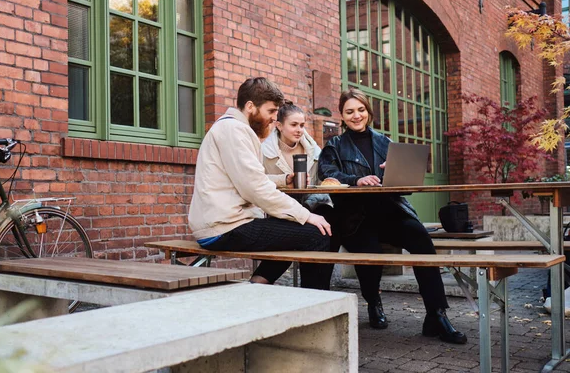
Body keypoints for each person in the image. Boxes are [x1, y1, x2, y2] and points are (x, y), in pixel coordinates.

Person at [318, 88, 467, 344]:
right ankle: (374, 303)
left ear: (368, 111)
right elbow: (327, 174)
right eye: (350, 112)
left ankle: (436, 315)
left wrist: (397, 173)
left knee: (421, 238)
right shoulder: (335, 145)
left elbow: (406, 187)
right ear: (342, 116)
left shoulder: (383, 141)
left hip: (390, 210)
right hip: (355, 217)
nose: (356, 116)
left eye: (361, 110)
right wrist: (357, 180)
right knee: (370, 251)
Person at [188, 77, 333, 290]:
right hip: (225, 227)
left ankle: (257, 284)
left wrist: (283, 180)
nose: (274, 118)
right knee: (316, 234)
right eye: (271, 111)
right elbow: (255, 188)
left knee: (292, 229)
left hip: (222, 224)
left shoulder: (232, 128)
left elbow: (247, 179)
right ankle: (317, 305)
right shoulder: (234, 130)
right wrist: (306, 215)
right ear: (250, 107)